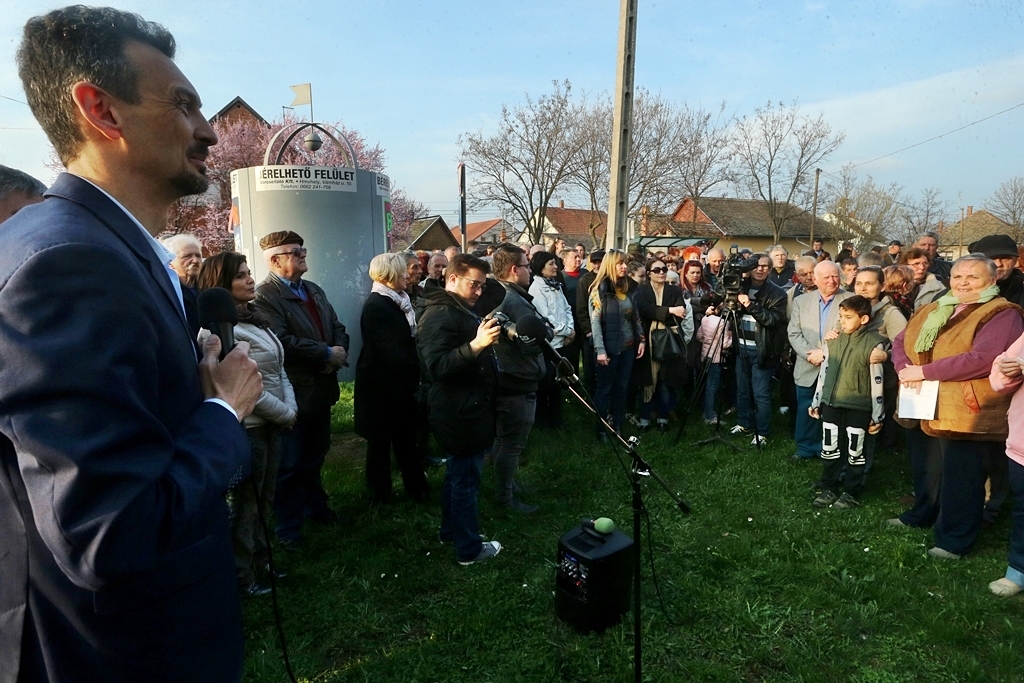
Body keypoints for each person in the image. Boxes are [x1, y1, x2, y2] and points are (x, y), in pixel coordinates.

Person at [0, 7, 263, 680]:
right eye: (183, 105)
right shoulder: (67, 263)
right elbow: (108, 530)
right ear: (100, 110)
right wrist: (224, 412)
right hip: (127, 653)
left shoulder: (103, 249)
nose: (208, 131)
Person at [890, 255, 1024, 559]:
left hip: (966, 408)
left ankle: (955, 540)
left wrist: (923, 371)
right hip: (923, 400)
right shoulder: (935, 307)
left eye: (973, 277)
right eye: (958, 276)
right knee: (927, 466)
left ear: (992, 281)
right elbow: (901, 340)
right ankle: (921, 514)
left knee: (962, 476)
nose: (963, 282)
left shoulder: (1002, 313)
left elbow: (982, 358)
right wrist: (903, 368)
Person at [197, 252, 297, 597]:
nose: (250, 280)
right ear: (222, 286)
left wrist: (289, 405)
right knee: (246, 506)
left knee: (265, 500)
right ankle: (241, 577)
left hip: (273, 422)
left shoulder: (257, 320)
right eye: (241, 276)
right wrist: (284, 413)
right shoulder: (218, 332)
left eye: (249, 273)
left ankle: (261, 561)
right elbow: (241, 386)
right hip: (250, 426)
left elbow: (278, 369)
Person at [255, 230, 350, 549]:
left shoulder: (313, 290)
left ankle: (315, 508)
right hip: (295, 392)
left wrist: (337, 353)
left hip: (321, 388)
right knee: (290, 462)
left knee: (315, 454)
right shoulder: (265, 296)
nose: (303, 254)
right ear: (275, 259)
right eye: (295, 252)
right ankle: (288, 527)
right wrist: (324, 354)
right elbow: (280, 339)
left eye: (303, 249)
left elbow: (338, 327)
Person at [417, 253, 503, 564]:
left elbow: (497, 292)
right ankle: (468, 550)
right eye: (474, 285)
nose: (480, 292)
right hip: (458, 412)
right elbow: (437, 367)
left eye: (482, 285)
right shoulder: (439, 314)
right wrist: (477, 345)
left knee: (457, 476)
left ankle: (451, 532)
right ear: (451, 279)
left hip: (468, 408)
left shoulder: (460, 306)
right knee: (466, 482)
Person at [354, 253, 429, 505]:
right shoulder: (377, 306)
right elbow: (390, 349)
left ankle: (416, 489)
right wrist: (417, 367)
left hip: (398, 384)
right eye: (401, 271)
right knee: (380, 444)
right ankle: (380, 497)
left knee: (406, 439)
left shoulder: (400, 301)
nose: (407, 275)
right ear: (387, 275)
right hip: (381, 388)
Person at [809, 295, 886, 509]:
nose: (842, 321)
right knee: (830, 448)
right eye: (841, 316)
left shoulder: (873, 345)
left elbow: (877, 382)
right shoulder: (832, 341)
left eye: (848, 317)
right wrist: (817, 401)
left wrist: (877, 414)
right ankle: (830, 487)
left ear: (863, 319)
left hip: (859, 407)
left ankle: (852, 491)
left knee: (855, 451)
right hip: (831, 405)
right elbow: (823, 374)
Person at [788, 261, 852, 460]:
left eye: (835, 276)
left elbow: (848, 332)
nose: (832, 281)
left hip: (836, 364)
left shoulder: (851, 299)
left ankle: (830, 448)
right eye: (826, 277)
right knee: (805, 407)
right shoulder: (801, 301)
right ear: (814, 280)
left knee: (833, 411)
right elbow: (793, 332)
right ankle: (806, 448)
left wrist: (824, 353)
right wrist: (810, 354)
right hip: (807, 364)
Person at [727, 253, 787, 445]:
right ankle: (744, 423)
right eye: (757, 266)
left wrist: (750, 305)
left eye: (765, 267)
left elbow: (772, 320)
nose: (760, 269)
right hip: (741, 347)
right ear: (749, 268)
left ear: (770, 270)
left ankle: (762, 431)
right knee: (742, 390)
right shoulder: (739, 286)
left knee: (761, 393)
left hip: (762, 349)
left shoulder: (777, 293)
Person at [589, 249, 646, 438]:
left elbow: (635, 315)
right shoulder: (600, 291)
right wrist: (600, 350)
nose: (624, 266)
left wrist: (641, 339)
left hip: (628, 347)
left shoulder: (629, 288)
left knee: (622, 387)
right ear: (610, 265)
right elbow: (595, 323)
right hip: (608, 349)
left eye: (625, 263)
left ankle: (618, 424)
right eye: (620, 263)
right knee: (605, 389)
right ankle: (601, 427)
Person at [633, 258, 692, 432]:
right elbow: (644, 310)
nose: (661, 273)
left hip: (669, 341)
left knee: (666, 381)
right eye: (657, 270)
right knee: (647, 381)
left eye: (664, 269)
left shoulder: (674, 290)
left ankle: (663, 419)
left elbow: (681, 310)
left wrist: (664, 311)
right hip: (647, 341)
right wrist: (669, 310)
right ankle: (645, 419)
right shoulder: (641, 290)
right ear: (649, 273)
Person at [987, 330, 1024, 596]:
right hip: (1022, 442)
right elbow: (998, 380)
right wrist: (1010, 369)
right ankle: (1018, 569)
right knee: (1022, 510)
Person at [529, 250, 574, 432]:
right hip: (549, 345)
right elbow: (546, 318)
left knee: (558, 383)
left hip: (561, 344)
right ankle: (543, 422)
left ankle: (557, 420)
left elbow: (567, 308)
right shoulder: (536, 289)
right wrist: (566, 331)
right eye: (551, 264)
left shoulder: (556, 285)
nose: (556, 267)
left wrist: (571, 329)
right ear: (541, 267)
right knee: (546, 384)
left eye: (556, 263)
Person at [162, 232, 202, 338]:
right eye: (187, 256)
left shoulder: (208, 289)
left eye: (198, 256)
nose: (195, 260)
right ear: (170, 262)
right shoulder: (167, 292)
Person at [576, 249, 605, 394]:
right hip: (590, 332)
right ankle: (590, 395)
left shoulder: (610, 278)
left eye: (600, 262)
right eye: (595, 262)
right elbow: (581, 308)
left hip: (607, 329)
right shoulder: (585, 280)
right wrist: (588, 331)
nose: (597, 265)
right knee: (589, 367)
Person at [971, 234, 1024, 309]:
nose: (998, 264)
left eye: (1005, 258)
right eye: (991, 258)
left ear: (1015, 261)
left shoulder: (1021, 295)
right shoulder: (958, 291)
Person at [559, 247, 584, 377]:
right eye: (575, 257)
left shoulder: (586, 275)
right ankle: (571, 381)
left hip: (585, 323)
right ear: (565, 261)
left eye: (579, 256)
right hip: (571, 323)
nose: (579, 259)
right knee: (571, 356)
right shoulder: (560, 278)